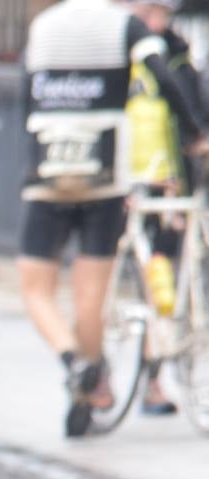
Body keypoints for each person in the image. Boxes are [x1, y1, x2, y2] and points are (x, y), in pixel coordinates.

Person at [18, 0, 206, 437]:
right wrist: (196, 132)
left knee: (35, 288)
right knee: (91, 294)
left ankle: (76, 366)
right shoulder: (124, 27)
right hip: (105, 177)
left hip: (48, 171)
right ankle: (93, 377)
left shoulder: (43, 27)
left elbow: (24, 98)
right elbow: (164, 77)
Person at [125, 0, 206, 415]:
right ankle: (152, 381)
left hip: (180, 174)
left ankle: (172, 370)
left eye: (159, 10)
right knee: (155, 278)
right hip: (145, 178)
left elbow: (195, 105)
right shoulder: (132, 51)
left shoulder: (177, 51)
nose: (154, 19)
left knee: (176, 271)